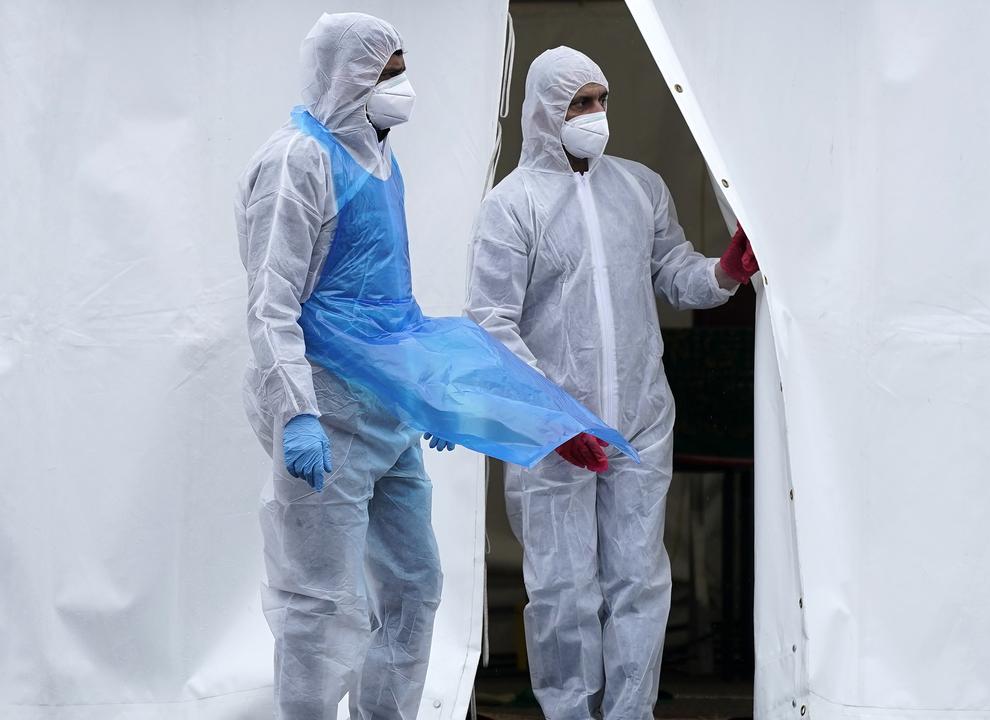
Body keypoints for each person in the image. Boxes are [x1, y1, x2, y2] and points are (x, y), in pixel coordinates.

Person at [236, 17, 637, 720]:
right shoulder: (297, 161)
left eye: (400, 67)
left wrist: (431, 392)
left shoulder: (383, 163)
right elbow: (271, 301)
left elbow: (390, 303)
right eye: (386, 71)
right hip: (326, 413)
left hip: (387, 414)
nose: (400, 87)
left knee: (414, 587)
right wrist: (296, 410)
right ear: (346, 77)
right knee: (320, 604)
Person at [465, 46, 759, 719]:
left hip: (640, 423)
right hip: (554, 431)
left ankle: (631, 712)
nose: (595, 116)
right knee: (564, 590)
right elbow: (491, 326)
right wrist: (553, 420)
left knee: (639, 581)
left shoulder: (639, 186)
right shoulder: (512, 207)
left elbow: (674, 271)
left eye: (601, 100)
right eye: (579, 104)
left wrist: (723, 273)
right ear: (544, 112)